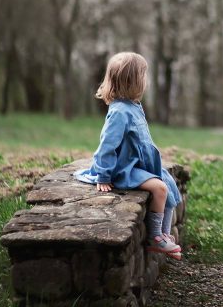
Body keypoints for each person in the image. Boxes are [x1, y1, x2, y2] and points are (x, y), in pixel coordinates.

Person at [74, 52, 182, 260]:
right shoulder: (119, 112)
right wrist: (104, 175)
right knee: (159, 188)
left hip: (138, 163)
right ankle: (156, 238)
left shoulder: (133, 106)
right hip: (124, 169)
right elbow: (107, 145)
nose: (146, 81)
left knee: (169, 183)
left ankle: (165, 234)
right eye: (143, 76)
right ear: (131, 81)